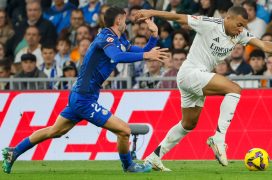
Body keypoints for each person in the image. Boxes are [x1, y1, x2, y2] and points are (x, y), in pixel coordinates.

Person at [2, 6, 168, 174]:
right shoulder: (106, 38)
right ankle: (129, 166)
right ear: (118, 20)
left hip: (81, 96)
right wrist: (146, 55)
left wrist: (153, 35)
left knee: (55, 131)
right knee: (124, 131)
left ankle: (13, 152)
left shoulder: (119, 40)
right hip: (84, 99)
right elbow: (117, 57)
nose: (126, 23)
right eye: (124, 19)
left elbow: (144, 51)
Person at [134, 6, 272, 171]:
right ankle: (219, 138)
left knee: (188, 124)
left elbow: (264, 45)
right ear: (228, 18)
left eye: (243, 25)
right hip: (190, 73)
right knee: (234, 89)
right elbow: (179, 17)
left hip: (199, 77)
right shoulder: (210, 23)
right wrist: (151, 12)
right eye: (238, 24)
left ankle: (154, 157)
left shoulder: (240, 34)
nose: (241, 29)